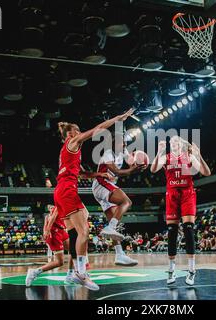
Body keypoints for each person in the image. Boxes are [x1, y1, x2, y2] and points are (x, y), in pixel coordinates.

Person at [53, 109, 134, 291]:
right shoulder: (72, 141)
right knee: (84, 231)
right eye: (77, 129)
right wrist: (118, 119)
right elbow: (97, 129)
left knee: (76, 233)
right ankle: (81, 274)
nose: (80, 131)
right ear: (71, 133)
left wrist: (99, 173)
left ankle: (74, 273)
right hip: (67, 190)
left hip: (60, 191)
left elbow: (81, 172)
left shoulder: (70, 151)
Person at [150, 135, 211, 286]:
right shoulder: (166, 157)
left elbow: (207, 172)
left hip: (187, 194)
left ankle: (191, 270)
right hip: (172, 195)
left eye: (177, 141)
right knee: (172, 231)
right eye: (172, 142)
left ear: (181, 144)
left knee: (188, 229)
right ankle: (171, 270)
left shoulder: (189, 156)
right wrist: (159, 152)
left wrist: (199, 156)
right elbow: (153, 169)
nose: (174, 143)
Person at [92, 131, 145, 266]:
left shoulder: (124, 152)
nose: (125, 143)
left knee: (113, 224)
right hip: (101, 184)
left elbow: (132, 162)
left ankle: (119, 254)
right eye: (122, 141)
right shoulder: (108, 154)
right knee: (126, 201)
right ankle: (110, 228)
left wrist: (140, 165)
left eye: (125, 141)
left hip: (106, 186)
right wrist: (131, 171)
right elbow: (116, 172)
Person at [26, 205, 76, 286]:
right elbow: (51, 220)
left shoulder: (65, 206)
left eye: (52, 206)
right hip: (54, 233)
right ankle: (34, 272)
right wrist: (47, 231)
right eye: (50, 207)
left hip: (61, 231)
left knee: (73, 250)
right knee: (59, 262)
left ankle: (70, 275)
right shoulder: (56, 207)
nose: (51, 208)